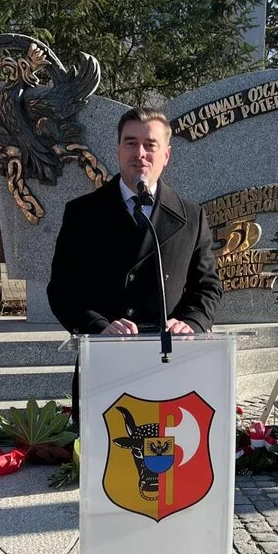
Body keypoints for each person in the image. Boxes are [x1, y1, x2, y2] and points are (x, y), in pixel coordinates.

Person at [48, 107, 222, 422]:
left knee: (165, 449)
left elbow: (207, 286)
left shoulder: (192, 216)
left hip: (171, 364)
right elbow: (62, 289)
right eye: (130, 143)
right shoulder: (83, 214)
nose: (139, 153)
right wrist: (98, 326)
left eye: (149, 144)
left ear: (166, 155)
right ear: (118, 150)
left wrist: (191, 323)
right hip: (105, 363)